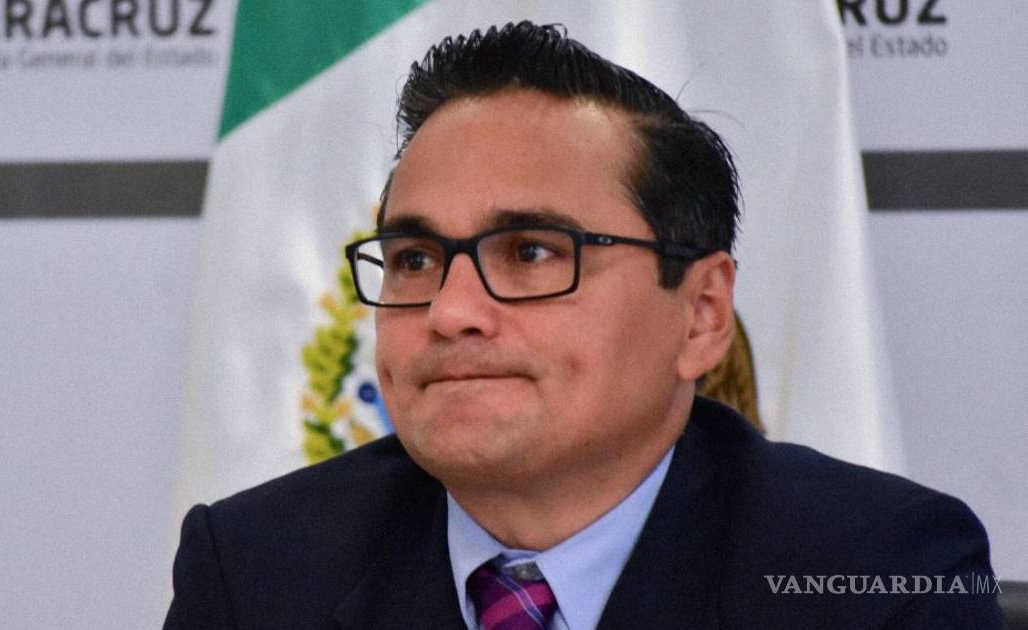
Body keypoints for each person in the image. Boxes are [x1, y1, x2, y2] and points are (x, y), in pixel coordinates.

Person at [164, 22, 1000, 629]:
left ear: (702, 316)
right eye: (416, 259)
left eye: (530, 252)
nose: (451, 312)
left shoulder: (879, 574)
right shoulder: (255, 569)